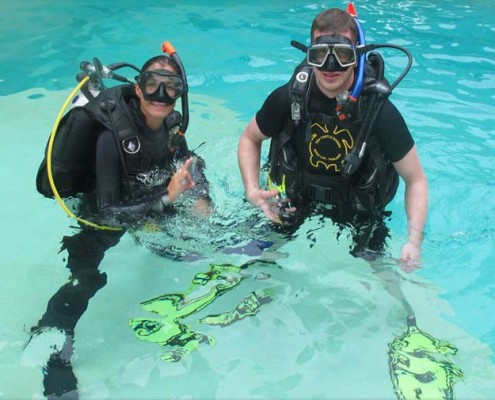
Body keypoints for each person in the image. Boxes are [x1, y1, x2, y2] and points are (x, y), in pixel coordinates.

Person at [27, 50, 210, 398]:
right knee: (85, 280)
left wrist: (201, 194)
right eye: (151, 85)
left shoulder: (172, 126)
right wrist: (165, 198)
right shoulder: (113, 136)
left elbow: (189, 162)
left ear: (179, 94)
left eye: (170, 88)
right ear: (137, 89)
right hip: (101, 215)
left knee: (192, 243)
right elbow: (108, 212)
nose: (160, 95)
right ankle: (53, 355)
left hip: (146, 197)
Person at [237, 7, 427, 265]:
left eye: (342, 55)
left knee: (385, 279)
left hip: (357, 211)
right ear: (310, 55)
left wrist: (413, 242)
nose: (330, 66)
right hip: (294, 198)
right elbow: (250, 138)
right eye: (320, 55)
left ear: (356, 56)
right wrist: (252, 190)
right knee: (247, 258)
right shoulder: (290, 97)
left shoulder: (378, 112)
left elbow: (415, 180)